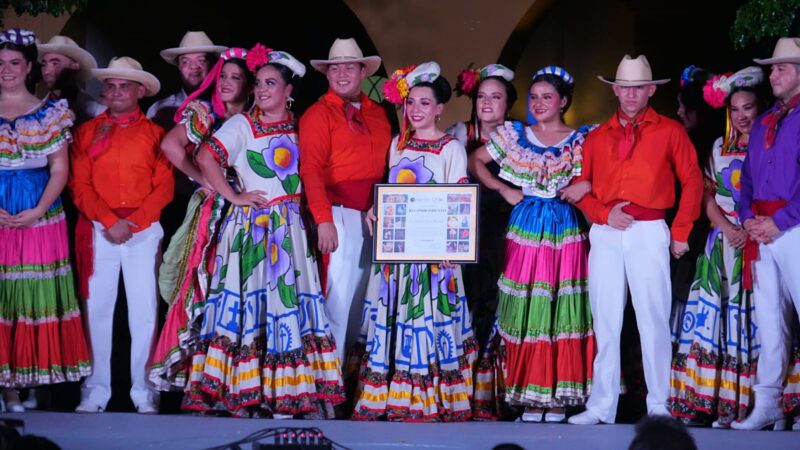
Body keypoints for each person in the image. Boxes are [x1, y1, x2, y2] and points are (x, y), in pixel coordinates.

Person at [185, 45, 345, 418]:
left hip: (290, 229)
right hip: (254, 228)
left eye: (271, 84)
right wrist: (233, 196)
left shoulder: (300, 125)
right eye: (258, 83)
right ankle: (242, 393)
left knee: (286, 306)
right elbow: (206, 156)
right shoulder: (243, 124)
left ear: (289, 90)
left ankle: (287, 394)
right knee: (250, 310)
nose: (261, 90)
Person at [568, 54, 703, 425]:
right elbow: (583, 190)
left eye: (638, 87)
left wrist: (680, 231)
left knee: (653, 318)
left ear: (650, 90)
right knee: (605, 320)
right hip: (608, 231)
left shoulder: (670, 131)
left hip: (648, 230)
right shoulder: (595, 138)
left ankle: (659, 404)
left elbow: (692, 180)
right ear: (614, 89)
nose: (630, 94)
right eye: (624, 87)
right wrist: (603, 214)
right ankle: (601, 405)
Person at [352, 61, 477, 422]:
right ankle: (391, 393)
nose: (416, 110)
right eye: (412, 103)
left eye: (425, 103)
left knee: (429, 318)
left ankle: (429, 396)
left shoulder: (451, 148)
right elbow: (391, 193)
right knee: (395, 318)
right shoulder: (397, 145)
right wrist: (376, 210)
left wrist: (454, 249)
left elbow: (458, 203)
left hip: (435, 257)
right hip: (398, 254)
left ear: (439, 109)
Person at [469, 66, 594, 422]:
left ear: (563, 102)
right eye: (534, 97)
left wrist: (585, 187)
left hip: (564, 229)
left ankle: (557, 398)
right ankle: (528, 395)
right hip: (525, 227)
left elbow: (601, 174)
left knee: (560, 308)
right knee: (524, 308)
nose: (539, 103)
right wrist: (504, 188)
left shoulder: (582, 139)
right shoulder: (516, 136)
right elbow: (476, 160)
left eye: (547, 97)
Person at [70, 56, 173, 414]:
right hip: (100, 228)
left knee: (144, 311)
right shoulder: (86, 133)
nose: (115, 92)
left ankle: (144, 392)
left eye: (124, 86)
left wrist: (136, 222)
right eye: (110, 86)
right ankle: (96, 389)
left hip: (142, 231)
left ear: (140, 91)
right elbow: (79, 184)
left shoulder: (156, 135)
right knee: (97, 309)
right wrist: (108, 220)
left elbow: (164, 187)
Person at [148, 47, 253, 391]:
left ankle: (236, 378)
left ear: (249, 84)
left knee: (242, 288)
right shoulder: (206, 111)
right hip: (215, 211)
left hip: (253, 211)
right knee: (206, 284)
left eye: (234, 78)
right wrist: (202, 177)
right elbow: (170, 146)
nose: (225, 83)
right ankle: (200, 380)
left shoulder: (258, 113)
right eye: (222, 76)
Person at [668, 67, 767, 428]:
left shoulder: (768, 144)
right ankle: (713, 402)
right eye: (736, 109)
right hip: (721, 243)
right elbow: (707, 195)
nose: (742, 115)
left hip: (759, 241)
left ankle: (755, 403)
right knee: (713, 320)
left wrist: (750, 229)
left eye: (749, 108)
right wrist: (727, 228)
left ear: (760, 108)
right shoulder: (716, 147)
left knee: (755, 319)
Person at [0, 28, 90, 413]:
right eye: (0, 64)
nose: (6, 71)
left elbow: (59, 169)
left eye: (14, 64)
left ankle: (27, 380)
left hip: (39, 207)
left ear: (29, 67)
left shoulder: (50, 112)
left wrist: (38, 210)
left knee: (31, 292)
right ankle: (7, 387)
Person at [299, 38, 391, 366]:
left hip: (372, 216)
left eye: (348, 66)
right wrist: (323, 218)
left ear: (362, 70)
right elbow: (309, 168)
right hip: (338, 213)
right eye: (334, 67)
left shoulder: (378, 113)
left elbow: (386, 166)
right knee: (336, 299)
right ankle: (326, 381)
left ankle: (346, 377)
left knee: (361, 302)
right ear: (326, 73)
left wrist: (381, 204)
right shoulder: (317, 114)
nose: (341, 73)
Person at [732, 37, 800, 431]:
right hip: (762, 231)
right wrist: (746, 218)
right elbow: (749, 181)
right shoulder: (764, 122)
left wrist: (781, 220)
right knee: (769, 320)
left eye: (782, 68)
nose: (773, 74)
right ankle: (769, 402)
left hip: (791, 227)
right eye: (773, 68)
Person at [447, 63, 518, 348]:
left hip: (505, 225)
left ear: (508, 103)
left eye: (496, 97)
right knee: (465, 290)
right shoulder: (457, 135)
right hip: (466, 225)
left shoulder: (519, 137)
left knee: (497, 292)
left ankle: (490, 364)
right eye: (481, 97)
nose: (487, 103)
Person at [146, 31, 225, 129]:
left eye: (202, 60)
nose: (193, 66)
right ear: (178, 66)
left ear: (213, 64)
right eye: (185, 61)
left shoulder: (228, 105)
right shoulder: (158, 109)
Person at [37, 35, 104, 124]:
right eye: (44, 64)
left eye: (55, 63)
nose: (46, 72)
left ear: (75, 66)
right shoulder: (39, 104)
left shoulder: (89, 107)